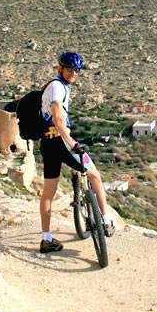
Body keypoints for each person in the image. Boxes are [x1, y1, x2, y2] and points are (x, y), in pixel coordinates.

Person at [39, 51, 115, 254]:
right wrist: (71, 143)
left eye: (76, 70)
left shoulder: (57, 85)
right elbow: (58, 119)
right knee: (95, 176)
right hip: (60, 141)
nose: (73, 73)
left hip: (48, 143)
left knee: (48, 193)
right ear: (60, 69)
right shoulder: (57, 86)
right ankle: (106, 220)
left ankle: (46, 239)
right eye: (69, 69)